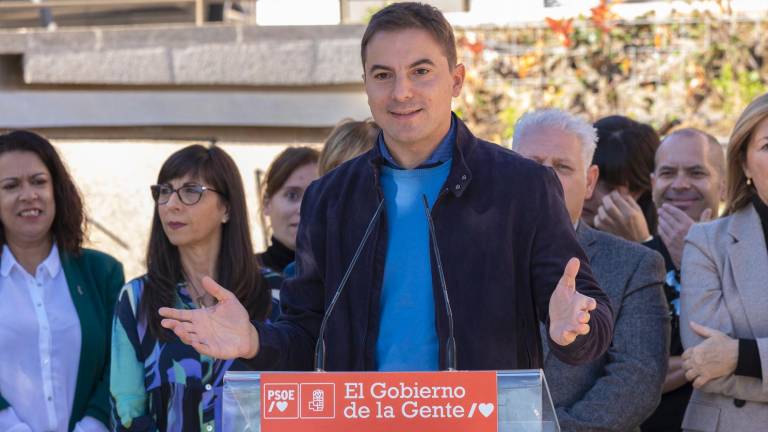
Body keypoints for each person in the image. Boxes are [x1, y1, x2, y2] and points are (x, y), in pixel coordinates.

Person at [159, 2, 613, 373]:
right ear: (366, 87)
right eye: (383, 75)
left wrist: (574, 329)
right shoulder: (331, 197)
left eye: (421, 71)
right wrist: (255, 340)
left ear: (456, 80)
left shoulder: (523, 187)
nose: (401, 92)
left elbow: (588, 316)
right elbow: (306, 333)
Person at [514, 109, 669, 431]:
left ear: (589, 181)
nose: (546, 177)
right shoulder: (462, 252)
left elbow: (638, 377)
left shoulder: (634, 265)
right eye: (531, 164)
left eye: (562, 166)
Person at [110, 145, 272, 431]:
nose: (171, 204)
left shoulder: (275, 293)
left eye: (191, 191)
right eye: (164, 191)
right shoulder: (138, 299)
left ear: (227, 208)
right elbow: (126, 410)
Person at [0, 130, 125, 432]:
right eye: (10, 186)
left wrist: (92, 427)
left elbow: (122, 364)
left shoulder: (102, 272)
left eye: (39, 181)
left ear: (57, 189)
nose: (29, 194)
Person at [679, 93, 768, 431]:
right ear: (744, 163)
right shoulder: (706, 242)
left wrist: (741, 357)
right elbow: (703, 365)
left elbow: (724, 365)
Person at [641, 128, 726, 432]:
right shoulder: (634, 261)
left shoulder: (749, 258)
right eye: (667, 173)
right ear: (653, 185)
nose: (680, 184)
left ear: (725, 186)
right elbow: (633, 373)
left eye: (696, 172)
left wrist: (693, 259)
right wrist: (719, 359)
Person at [583, 115, 660, 243]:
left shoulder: (673, 245)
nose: (587, 194)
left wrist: (642, 243)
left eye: (608, 187)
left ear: (640, 191)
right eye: (585, 177)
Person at [258, 146, 318, 303]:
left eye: (316, 195)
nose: (304, 208)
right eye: (292, 195)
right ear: (266, 203)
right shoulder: (242, 277)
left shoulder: (343, 277)